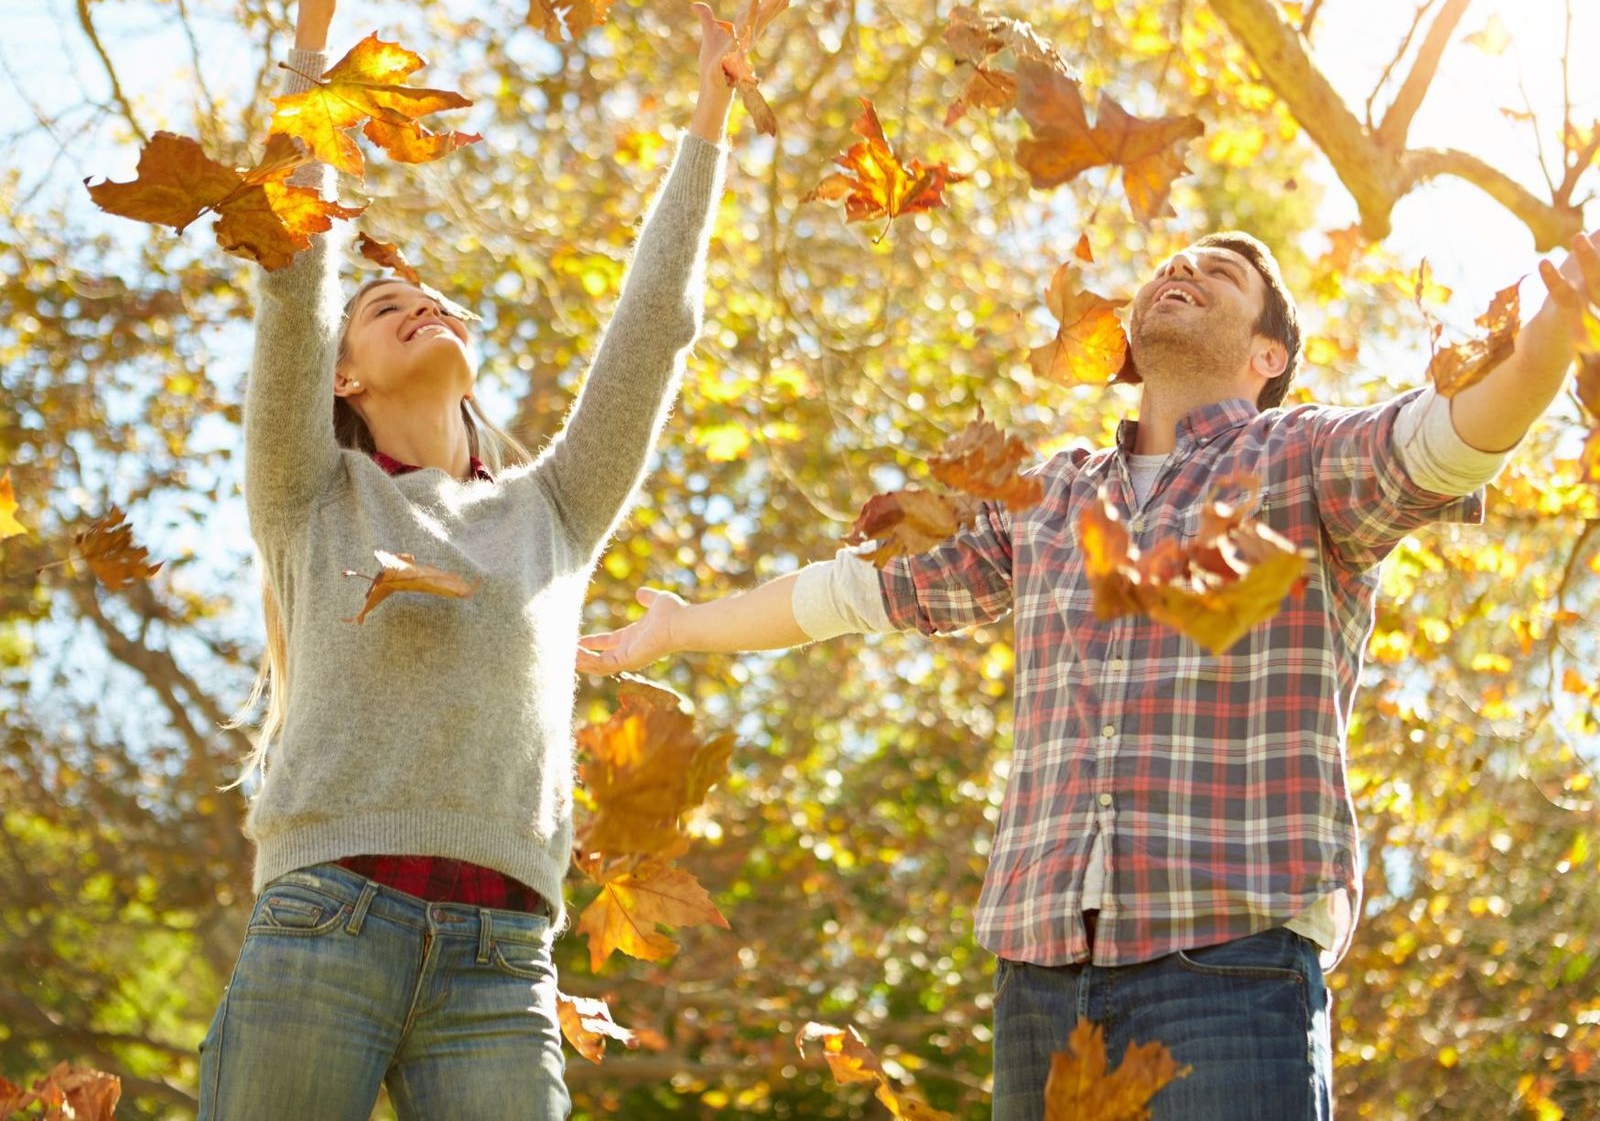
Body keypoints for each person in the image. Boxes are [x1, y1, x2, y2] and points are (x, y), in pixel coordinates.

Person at [578, 228, 1600, 1119]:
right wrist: (681, 629)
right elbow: (856, 594)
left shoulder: (1301, 460)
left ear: (1265, 353)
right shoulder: (1049, 494)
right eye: (1170, 263)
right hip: (1041, 981)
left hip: (1231, 971)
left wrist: (1550, 334)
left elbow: (1451, 438)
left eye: (1224, 269)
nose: (1183, 267)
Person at [202, 0, 795, 1116]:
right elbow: (290, 281)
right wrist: (311, 58)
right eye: (383, 305)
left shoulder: (554, 512)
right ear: (345, 376)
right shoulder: (307, 496)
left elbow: (654, 327)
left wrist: (708, 122)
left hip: (501, 961)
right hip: (324, 919)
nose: (420, 301)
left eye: (430, 295)